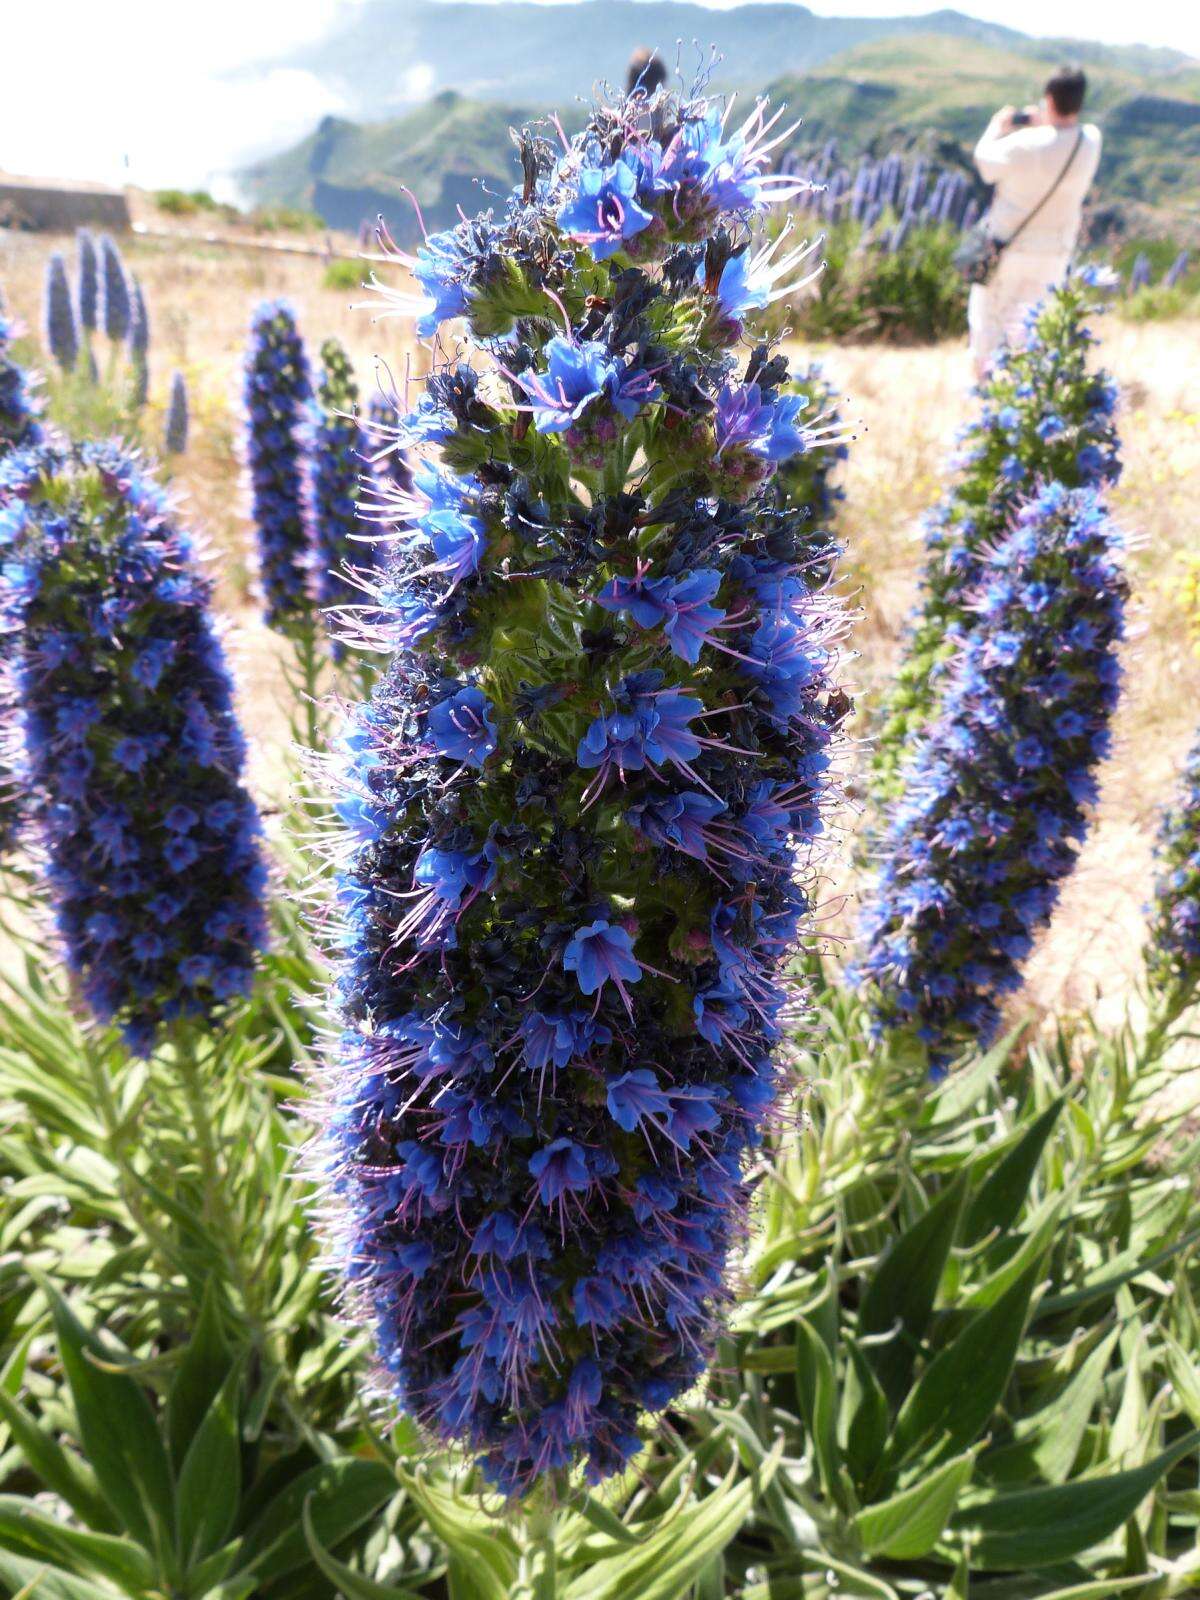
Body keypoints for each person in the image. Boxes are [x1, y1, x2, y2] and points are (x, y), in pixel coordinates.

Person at [968, 64, 1101, 375]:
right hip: (1055, 254)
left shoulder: (1024, 145)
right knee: (1031, 328)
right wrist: (1048, 120)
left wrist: (998, 125)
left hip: (1008, 250)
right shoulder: (1090, 141)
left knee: (988, 323)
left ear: (1049, 99)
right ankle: (1025, 395)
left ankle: (988, 399)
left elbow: (984, 162)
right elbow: (1065, 133)